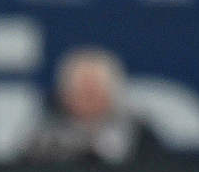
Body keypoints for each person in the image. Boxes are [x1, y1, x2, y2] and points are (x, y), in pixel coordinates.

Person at [24, 45, 152, 164]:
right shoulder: (43, 141)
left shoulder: (139, 137)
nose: (89, 100)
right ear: (65, 95)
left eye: (95, 91)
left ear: (112, 94)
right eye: (82, 92)